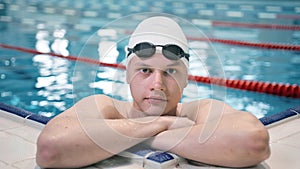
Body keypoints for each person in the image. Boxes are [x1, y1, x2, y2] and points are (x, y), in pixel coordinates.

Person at [36, 16, 270, 168]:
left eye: (170, 72)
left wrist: (132, 136)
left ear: (186, 80)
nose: (157, 84)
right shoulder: (104, 105)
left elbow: (253, 142)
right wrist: (163, 125)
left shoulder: (200, 109)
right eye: (145, 70)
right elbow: (50, 148)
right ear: (127, 74)